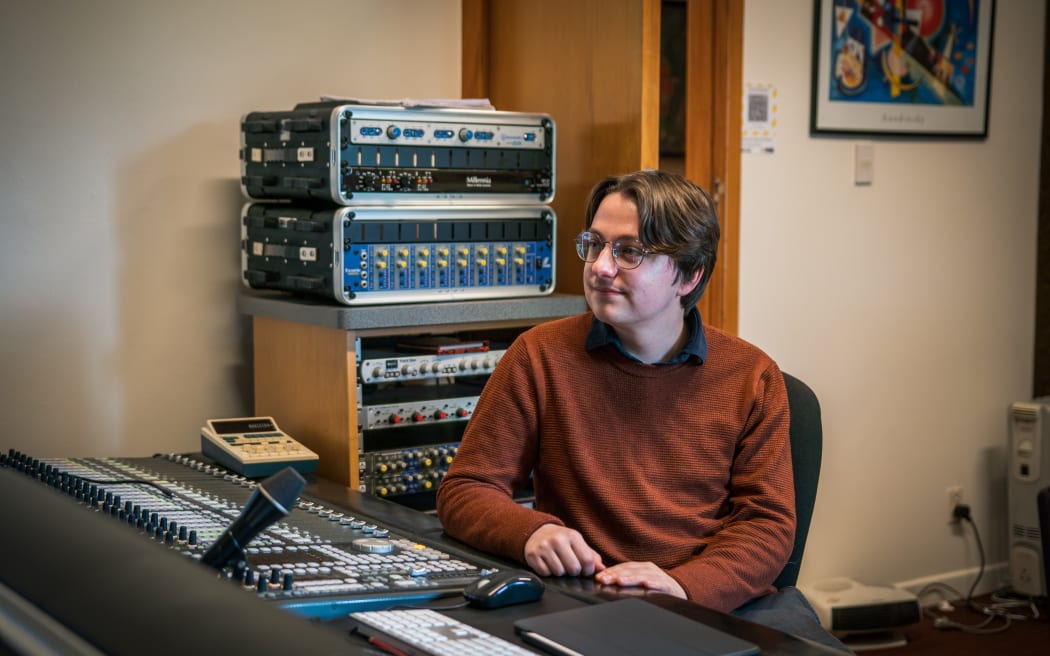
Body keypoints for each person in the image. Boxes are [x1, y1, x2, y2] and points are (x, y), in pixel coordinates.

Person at [436, 169, 849, 652]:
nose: (600, 267)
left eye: (629, 252)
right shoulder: (539, 356)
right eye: (594, 244)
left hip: (715, 601)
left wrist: (684, 586)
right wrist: (532, 532)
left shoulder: (752, 376)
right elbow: (466, 489)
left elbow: (767, 526)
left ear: (689, 275)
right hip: (587, 596)